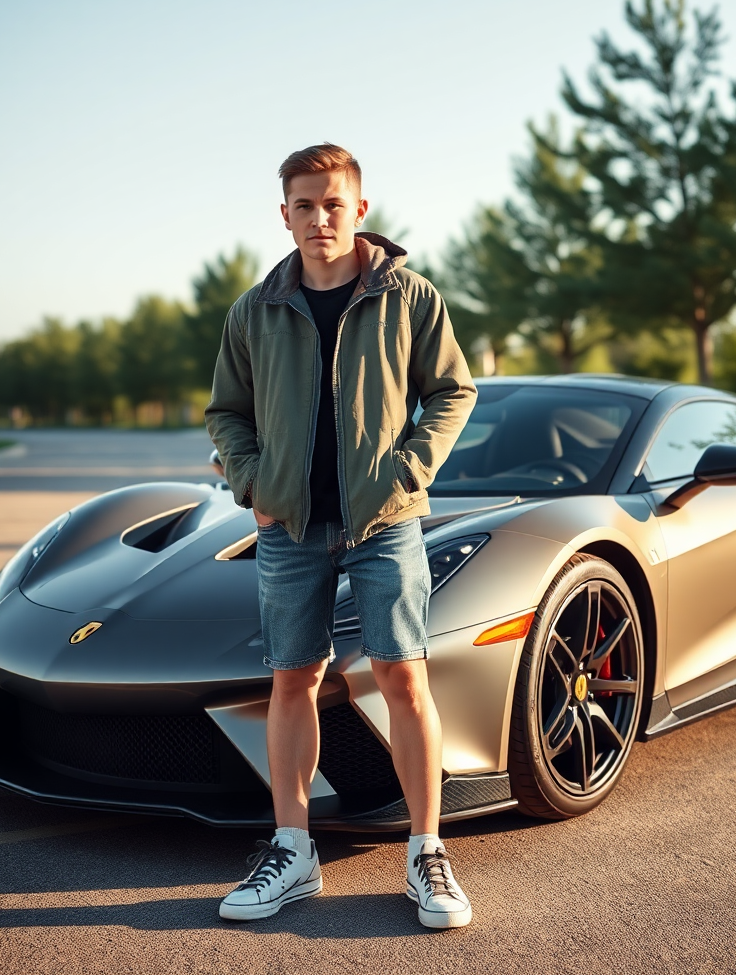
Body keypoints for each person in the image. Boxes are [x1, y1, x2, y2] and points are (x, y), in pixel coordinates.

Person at [205, 143, 476, 929]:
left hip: (384, 522)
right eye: (303, 205)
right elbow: (226, 411)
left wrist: (409, 470)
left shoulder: (410, 297)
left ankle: (427, 853)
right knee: (292, 680)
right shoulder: (254, 311)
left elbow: (454, 390)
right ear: (283, 214)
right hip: (289, 525)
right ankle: (293, 852)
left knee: (402, 679)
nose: (318, 218)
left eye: (333, 204)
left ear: (360, 210)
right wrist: (251, 482)